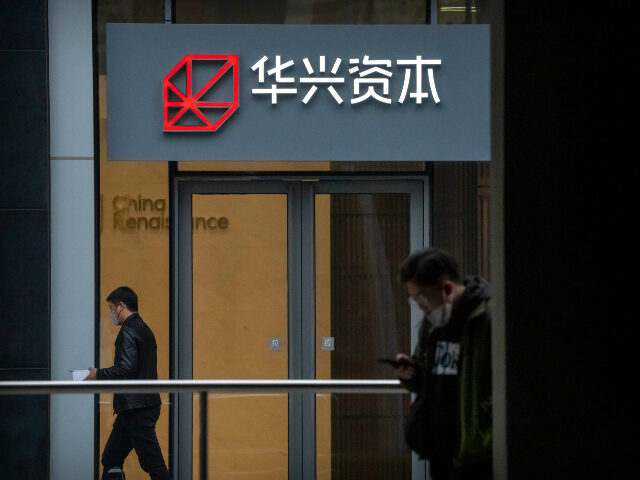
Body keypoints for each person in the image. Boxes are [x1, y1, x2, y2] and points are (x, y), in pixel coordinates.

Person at [394, 248, 492, 480]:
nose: (419, 306)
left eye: (421, 297)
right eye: (413, 299)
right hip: (439, 448)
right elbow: (429, 379)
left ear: (447, 288)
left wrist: (485, 425)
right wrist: (412, 375)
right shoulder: (432, 324)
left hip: (475, 451)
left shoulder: (486, 318)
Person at [85, 286, 171, 480]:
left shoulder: (127, 332)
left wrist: (97, 374)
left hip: (136, 409)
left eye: (111, 308)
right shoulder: (144, 329)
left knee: (153, 464)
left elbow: (125, 369)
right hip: (135, 407)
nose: (111, 313)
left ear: (121, 306)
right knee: (111, 458)